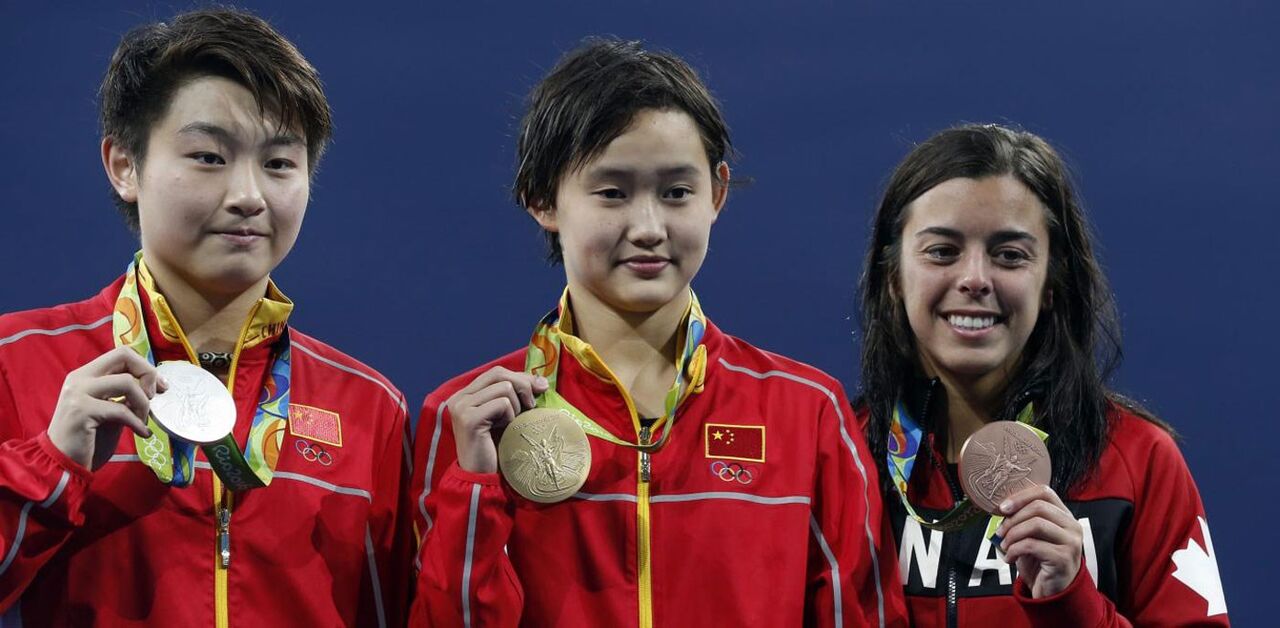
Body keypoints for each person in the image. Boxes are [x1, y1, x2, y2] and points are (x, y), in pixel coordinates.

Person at [410, 39, 905, 627]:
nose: (648, 227)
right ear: (542, 199)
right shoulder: (468, 419)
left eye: (675, 193)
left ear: (717, 193)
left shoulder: (806, 410)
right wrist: (476, 489)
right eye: (612, 193)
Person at [0, 9, 412, 626]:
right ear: (124, 166)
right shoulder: (17, 361)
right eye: (209, 156)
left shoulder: (370, 406)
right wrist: (51, 465)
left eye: (279, 163)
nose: (248, 195)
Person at [856, 123, 1229, 626]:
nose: (975, 279)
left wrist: (1074, 603)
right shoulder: (842, 454)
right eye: (942, 251)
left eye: (1010, 255)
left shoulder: (1138, 461)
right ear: (894, 277)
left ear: (1051, 282)